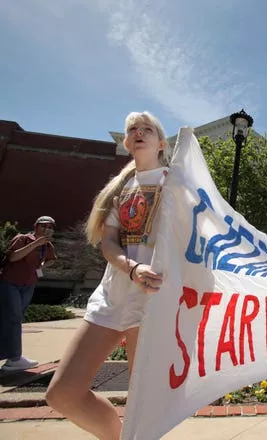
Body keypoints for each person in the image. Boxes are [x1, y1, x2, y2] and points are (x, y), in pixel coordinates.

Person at [45, 112, 169, 439]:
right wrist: (131, 267)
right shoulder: (120, 188)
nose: (139, 132)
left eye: (147, 129)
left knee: (142, 403)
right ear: (127, 142)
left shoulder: (175, 182)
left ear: (161, 143)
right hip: (112, 295)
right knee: (62, 393)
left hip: (153, 298)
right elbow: (109, 242)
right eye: (133, 130)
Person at [0, 216, 57, 371]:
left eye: (50, 227)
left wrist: (41, 266)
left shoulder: (47, 246)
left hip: (29, 284)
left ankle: (13, 357)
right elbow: (13, 257)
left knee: (15, 319)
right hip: (11, 283)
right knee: (13, 318)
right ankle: (14, 358)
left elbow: (52, 259)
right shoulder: (23, 238)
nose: (46, 229)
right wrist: (35, 244)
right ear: (36, 226)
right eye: (43, 226)